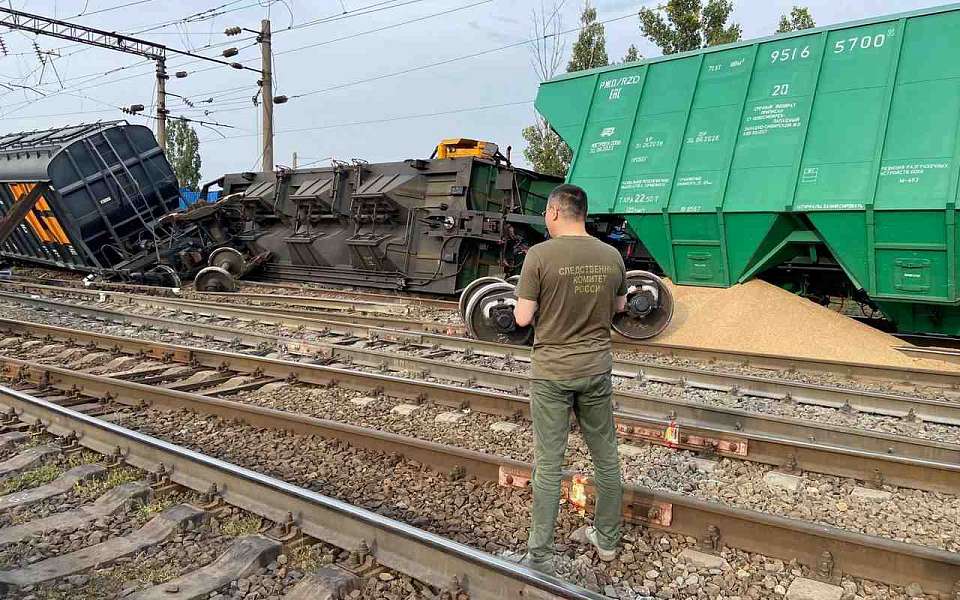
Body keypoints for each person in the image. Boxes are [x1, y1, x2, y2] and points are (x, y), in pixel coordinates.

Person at [513, 183, 627, 574]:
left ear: (556, 212)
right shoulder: (611, 255)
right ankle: (608, 541)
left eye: (546, 213)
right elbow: (620, 306)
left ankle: (540, 555)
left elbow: (523, 318)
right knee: (605, 456)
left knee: (549, 462)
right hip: (596, 369)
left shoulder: (539, 256)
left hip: (552, 372)